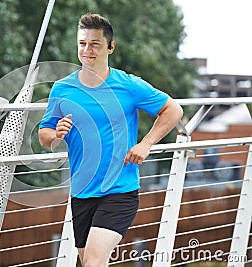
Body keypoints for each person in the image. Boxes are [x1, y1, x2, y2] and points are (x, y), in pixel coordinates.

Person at [38, 13, 183, 267]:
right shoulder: (62, 88)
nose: (87, 50)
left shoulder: (128, 85)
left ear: (110, 47)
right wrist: (56, 134)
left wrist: (146, 144)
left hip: (120, 190)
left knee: (94, 261)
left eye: (95, 44)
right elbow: (44, 134)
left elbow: (173, 110)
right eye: (82, 43)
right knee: (91, 262)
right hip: (82, 192)